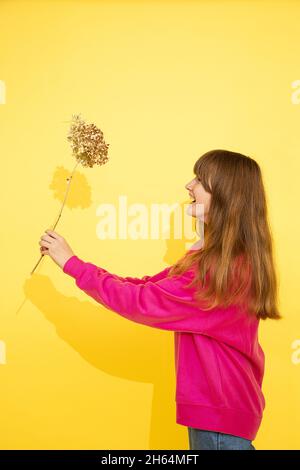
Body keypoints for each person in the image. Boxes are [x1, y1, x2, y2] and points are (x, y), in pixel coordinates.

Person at [38, 149, 282, 450]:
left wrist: (72, 264)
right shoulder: (217, 263)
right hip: (222, 414)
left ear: (225, 196)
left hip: (219, 418)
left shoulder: (220, 272)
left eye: (200, 181)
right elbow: (146, 286)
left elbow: (140, 301)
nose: (188, 186)